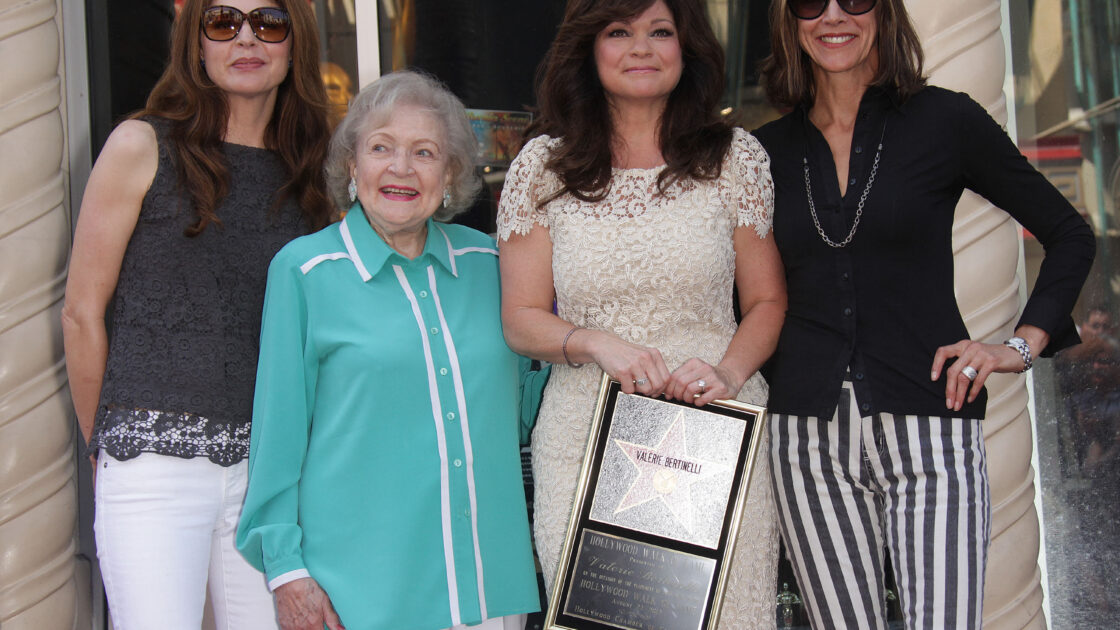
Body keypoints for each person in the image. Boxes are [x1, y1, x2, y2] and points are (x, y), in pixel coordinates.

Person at [753, 0, 1096, 628]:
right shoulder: (760, 154)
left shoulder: (945, 120)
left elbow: (1070, 233)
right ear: (788, 21)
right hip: (804, 436)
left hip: (932, 427)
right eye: (811, 2)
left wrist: (1016, 347)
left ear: (884, 12)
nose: (834, 15)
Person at [497, 0, 786, 625]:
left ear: (687, 48)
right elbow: (521, 317)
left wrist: (729, 375)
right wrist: (598, 344)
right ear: (589, 48)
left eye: (661, 32)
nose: (641, 48)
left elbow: (766, 302)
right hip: (585, 435)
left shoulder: (735, 157)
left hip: (714, 427)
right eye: (618, 32)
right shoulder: (542, 169)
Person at [235, 71, 541, 630]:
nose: (401, 168)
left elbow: (525, 408)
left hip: (485, 581)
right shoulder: (305, 271)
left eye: (424, 153)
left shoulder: (492, 264)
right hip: (360, 590)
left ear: (448, 175)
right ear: (352, 166)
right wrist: (285, 569)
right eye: (381, 148)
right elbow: (277, 434)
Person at [60, 1, 332, 627]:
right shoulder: (141, 146)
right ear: (196, 42)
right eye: (222, 22)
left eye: (269, 23)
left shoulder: (317, 173)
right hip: (152, 461)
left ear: (295, 44)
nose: (246, 39)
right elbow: (81, 312)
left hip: (271, 474)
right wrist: (103, 444)